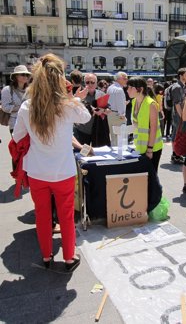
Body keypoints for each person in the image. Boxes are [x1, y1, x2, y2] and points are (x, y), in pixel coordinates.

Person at [12, 53, 91, 271]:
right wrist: (72, 95)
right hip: (63, 170)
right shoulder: (68, 105)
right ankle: (68, 257)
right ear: (60, 78)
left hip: (37, 171)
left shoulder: (27, 106)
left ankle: (46, 257)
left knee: (42, 215)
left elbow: (17, 138)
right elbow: (86, 117)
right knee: (66, 216)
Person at [127, 76, 163, 172]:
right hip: (139, 147)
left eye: (130, 87)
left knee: (151, 177)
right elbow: (136, 124)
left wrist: (150, 149)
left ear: (140, 89)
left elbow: (153, 128)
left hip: (152, 148)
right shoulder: (134, 101)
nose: (128, 90)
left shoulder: (151, 104)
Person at [73, 73, 110, 147]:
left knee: (97, 154)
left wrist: (102, 111)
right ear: (84, 83)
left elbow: (109, 110)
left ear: (96, 84)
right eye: (87, 82)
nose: (90, 84)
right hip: (82, 130)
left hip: (97, 130)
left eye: (92, 82)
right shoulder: (79, 94)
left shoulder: (102, 94)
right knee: (82, 153)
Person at [1, 65, 31, 134]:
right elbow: (5, 107)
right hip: (15, 124)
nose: (26, 77)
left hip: (30, 124)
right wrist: (22, 107)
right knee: (18, 145)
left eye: (27, 75)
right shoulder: (7, 90)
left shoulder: (30, 90)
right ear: (16, 76)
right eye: (23, 74)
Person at [169, 68, 186, 164]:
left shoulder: (183, 86)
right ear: (180, 75)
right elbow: (177, 104)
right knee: (176, 134)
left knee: (177, 134)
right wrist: (182, 117)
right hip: (178, 115)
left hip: (180, 115)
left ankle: (177, 154)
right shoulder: (177, 87)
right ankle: (175, 155)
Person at [107, 72, 128, 146]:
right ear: (119, 79)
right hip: (118, 115)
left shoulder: (110, 87)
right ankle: (119, 155)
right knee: (120, 138)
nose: (126, 80)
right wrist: (122, 115)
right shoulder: (119, 89)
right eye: (124, 78)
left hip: (110, 114)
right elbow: (120, 105)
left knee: (113, 137)